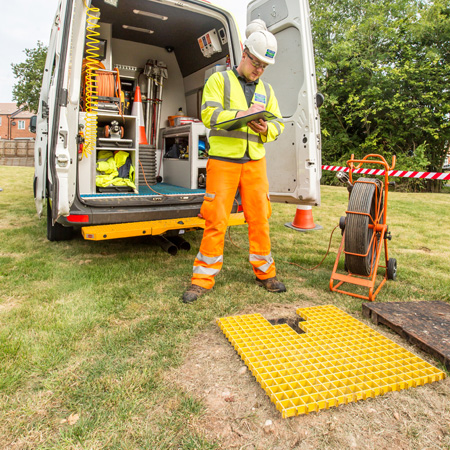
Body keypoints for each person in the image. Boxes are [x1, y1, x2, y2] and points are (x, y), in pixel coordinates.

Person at [182, 22, 285, 303]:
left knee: (260, 218)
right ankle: (202, 278)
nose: (259, 69)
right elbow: (210, 116)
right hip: (223, 162)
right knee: (216, 219)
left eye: (264, 66)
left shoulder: (267, 89)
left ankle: (266, 273)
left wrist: (268, 130)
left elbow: (279, 125)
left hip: (255, 163)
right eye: (256, 62)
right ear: (244, 52)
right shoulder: (219, 81)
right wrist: (245, 113)